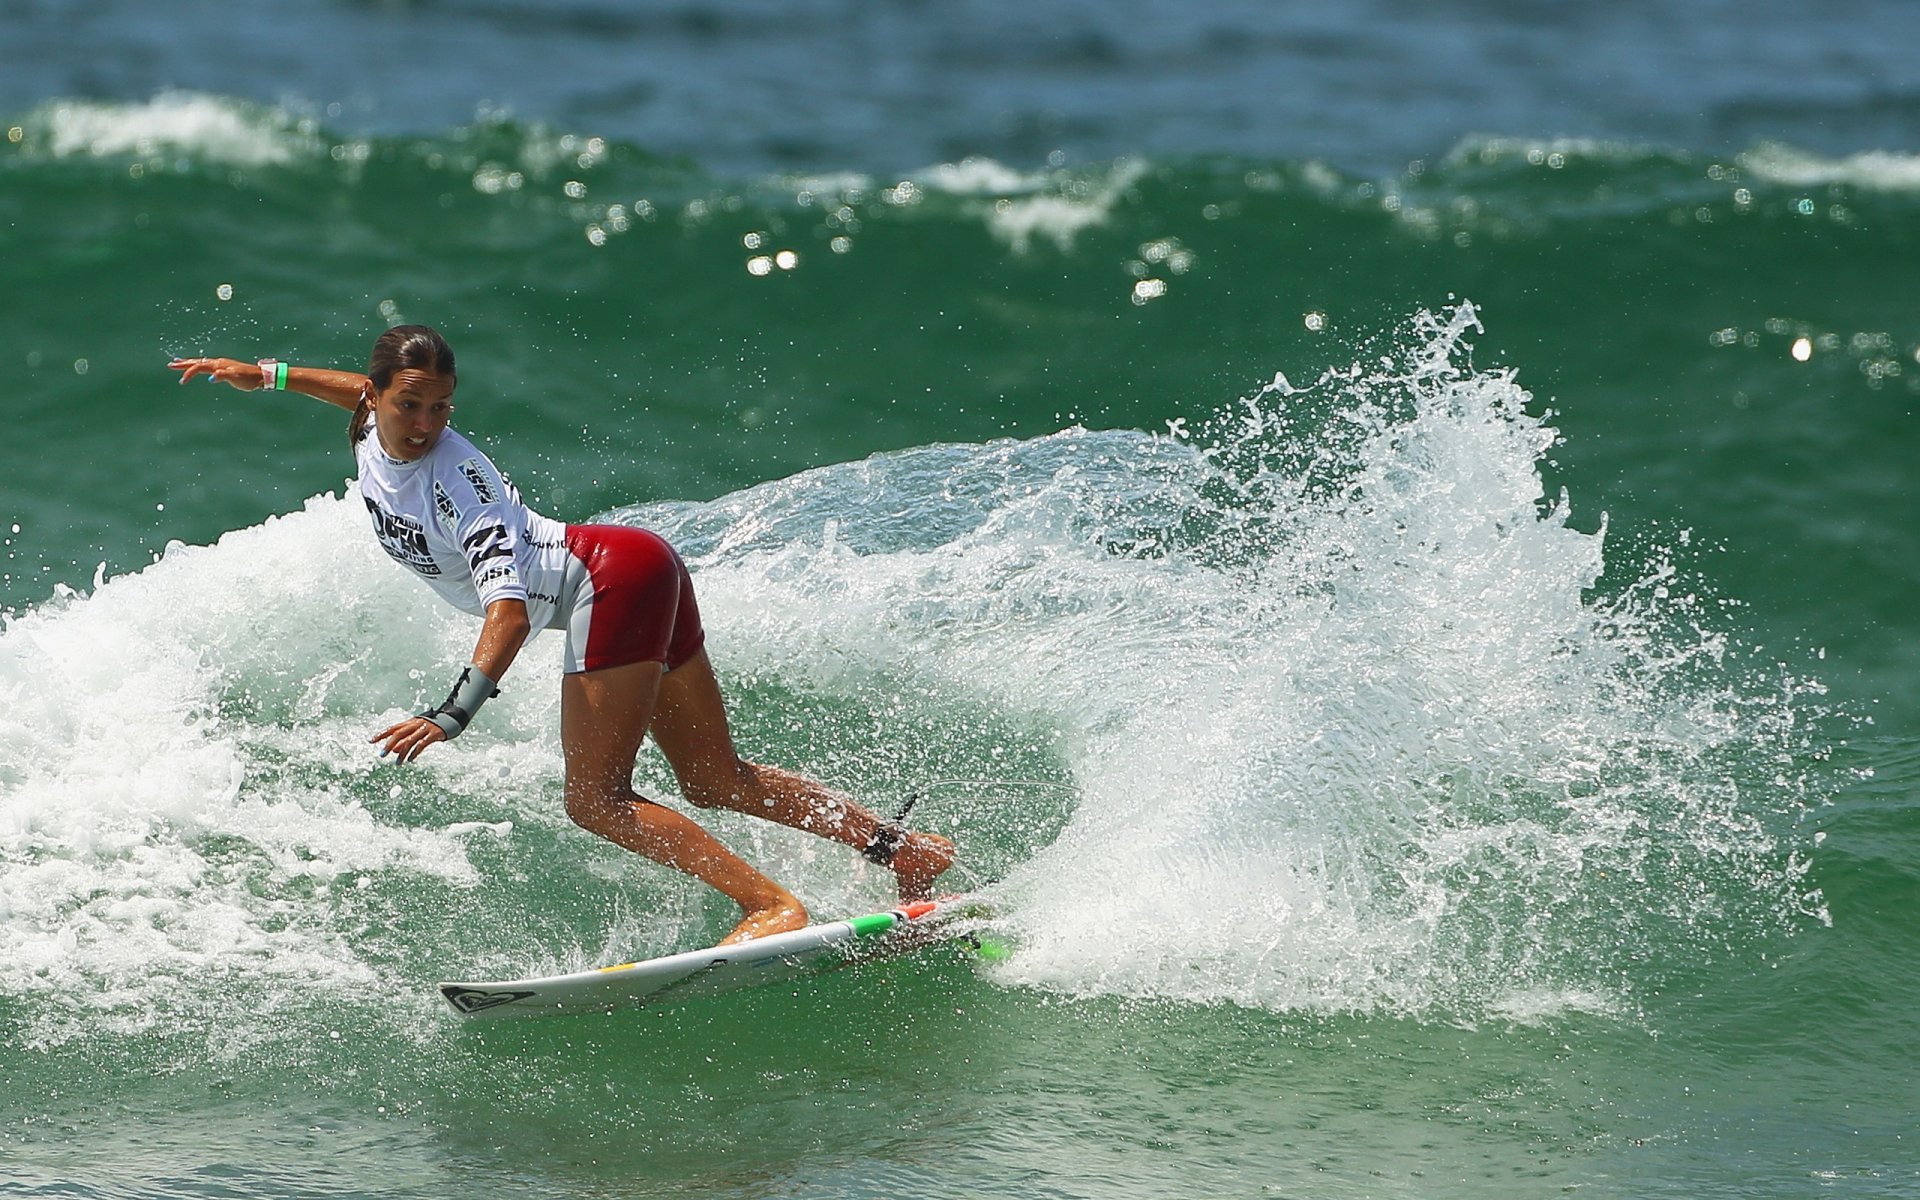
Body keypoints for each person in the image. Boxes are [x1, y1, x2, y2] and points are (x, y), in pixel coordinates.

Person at [169, 326, 953, 944]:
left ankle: (770, 905)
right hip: (637, 565)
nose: (426, 423)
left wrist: (452, 714)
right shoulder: (373, 428)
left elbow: (506, 613)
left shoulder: (455, 481)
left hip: (610, 582)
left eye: (441, 407)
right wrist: (263, 375)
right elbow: (346, 389)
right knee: (715, 779)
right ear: (376, 398)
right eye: (411, 404)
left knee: (596, 800)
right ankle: (904, 851)